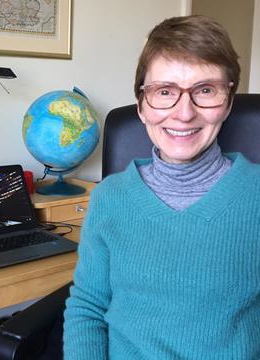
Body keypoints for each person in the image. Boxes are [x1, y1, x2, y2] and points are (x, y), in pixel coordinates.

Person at [63, 15, 260, 359]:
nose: (184, 113)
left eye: (205, 90)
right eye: (165, 91)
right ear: (142, 106)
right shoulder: (109, 198)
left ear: (227, 102)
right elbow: (88, 308)